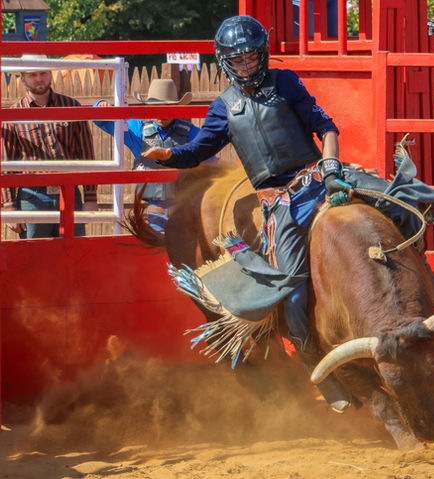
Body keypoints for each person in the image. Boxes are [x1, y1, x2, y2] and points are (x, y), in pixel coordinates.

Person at [141, 15, 353, 412]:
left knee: (396, 203)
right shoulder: (223, 107)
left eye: (252, 57)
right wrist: (169, 155)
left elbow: (324, 125)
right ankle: (313, 361)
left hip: (319, 178)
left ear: (263, 54)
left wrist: (332, 168)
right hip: (280, 202)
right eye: (237, 60)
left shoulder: (286, 83)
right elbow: (199, 150)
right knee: (290, 286)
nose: (246, 66)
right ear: (225, 62)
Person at [1, 54, 98, 238]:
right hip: (31, 196)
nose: (39, 78)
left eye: (43, 73)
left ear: (50, 74)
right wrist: (10, 207)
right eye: (33, 74)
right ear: (23, 79)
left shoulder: (72, 107)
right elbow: (6, 165)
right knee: (36, 258)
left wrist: (90, 197)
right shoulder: (13, 116)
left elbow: (87, 154)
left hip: (69, 192)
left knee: (74, 256)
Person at [93, 79, 201, 235]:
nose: (161, 112)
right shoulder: (139, 131)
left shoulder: (191, 133)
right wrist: (101, 105)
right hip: (154, 214)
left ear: (175, 107)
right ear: (149, 107)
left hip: (185, 213)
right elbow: (101, 119)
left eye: (166, 107)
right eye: (156, 107)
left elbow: (210, 157)